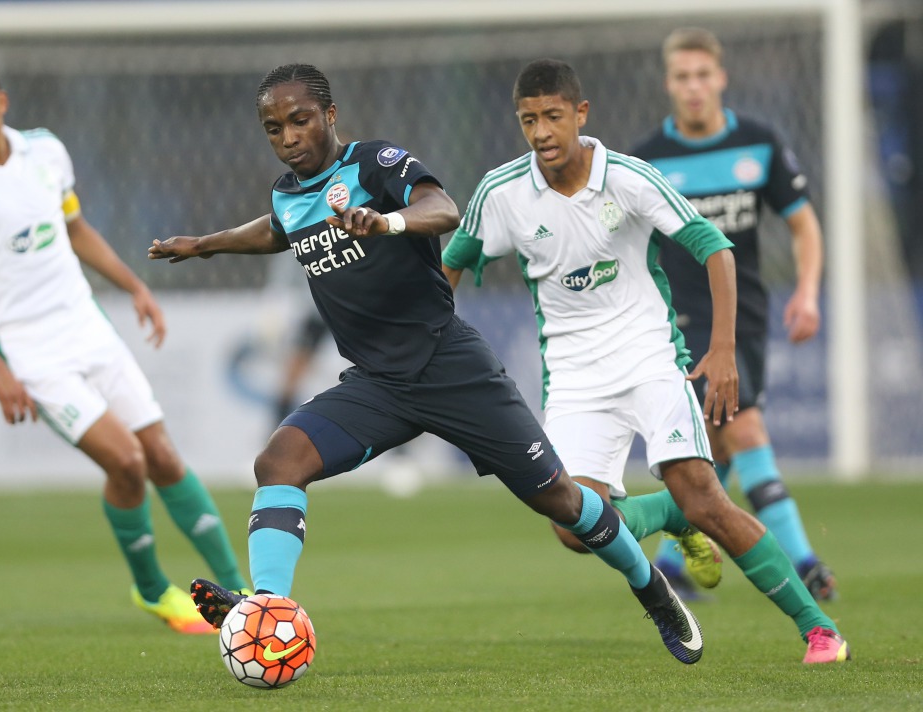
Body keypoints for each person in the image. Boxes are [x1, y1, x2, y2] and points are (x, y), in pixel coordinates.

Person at [150, 62, 709, 666]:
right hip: (379, 386)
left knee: (564, 503)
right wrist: (202, 244)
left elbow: (443, 208)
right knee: (279, 460)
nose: (288, 137)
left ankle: (654, 592)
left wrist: (387, 220)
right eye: (274, 128)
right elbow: (276, 230)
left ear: (330, 117)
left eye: (300, 120)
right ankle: (267, 609)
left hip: (450, 366)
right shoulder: (288, 194)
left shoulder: (375, 164)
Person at [441, 59, 848, 664]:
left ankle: (819, 629)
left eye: (553, 116)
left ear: (581, 114)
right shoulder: (501, 194)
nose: (541, 132)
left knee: (707, 496)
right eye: (528, 120)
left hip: (652, 358)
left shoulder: (628, 178)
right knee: (571, 528)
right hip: (576, 380)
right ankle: (675, 516)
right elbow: (447, 269)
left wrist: (721, 349)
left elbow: (714, 247)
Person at [0, 53, 248, 634]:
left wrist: (134, 285)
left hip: (89, 328)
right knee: (126, 461)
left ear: (0, 102)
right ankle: (151, 590)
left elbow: (74, 228)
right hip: (30, 353)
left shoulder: (46, 150)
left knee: (165, 457)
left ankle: (243, 595)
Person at [630, 28, 837, 602]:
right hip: (682, 322)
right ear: (669, 84)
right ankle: (804, 565)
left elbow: (802, 223)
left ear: (720, 78)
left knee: (720, 447)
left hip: (745, 317)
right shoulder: (648, 159)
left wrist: (809, 291)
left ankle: (670, 562)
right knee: (743, 426)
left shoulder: (759, 143)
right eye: (682, 77)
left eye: (703, 75)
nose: (693, 88)